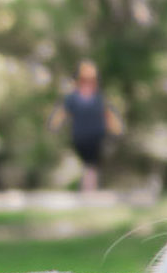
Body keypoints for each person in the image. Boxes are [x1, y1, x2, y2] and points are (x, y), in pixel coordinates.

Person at [48, 59, 122, 192]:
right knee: (89, 164)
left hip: (97, 136)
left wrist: (117, 129)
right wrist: (54, 125)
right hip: (80, 135)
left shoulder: (99, 98)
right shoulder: (72, 98)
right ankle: (88, 190)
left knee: (91, 164)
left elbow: (109, 115)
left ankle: (88, 189)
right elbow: (61, 113)